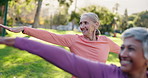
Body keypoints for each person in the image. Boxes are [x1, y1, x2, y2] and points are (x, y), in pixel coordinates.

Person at [0, 12, 120, 77]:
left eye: (86, 23)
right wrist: (24, 29)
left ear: (96, 25)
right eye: (80, 23)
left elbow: (126, 53)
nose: (82, 26)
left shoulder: (106, 42)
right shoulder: (74, 40)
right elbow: (50, 36)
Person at [0, 27, 147, 78]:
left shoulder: (105, 42)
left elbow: (115, 48)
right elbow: (59, 51)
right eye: (123, 48)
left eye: (131, 49)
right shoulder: (108, 73)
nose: (123, 53)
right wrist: (22, 35)